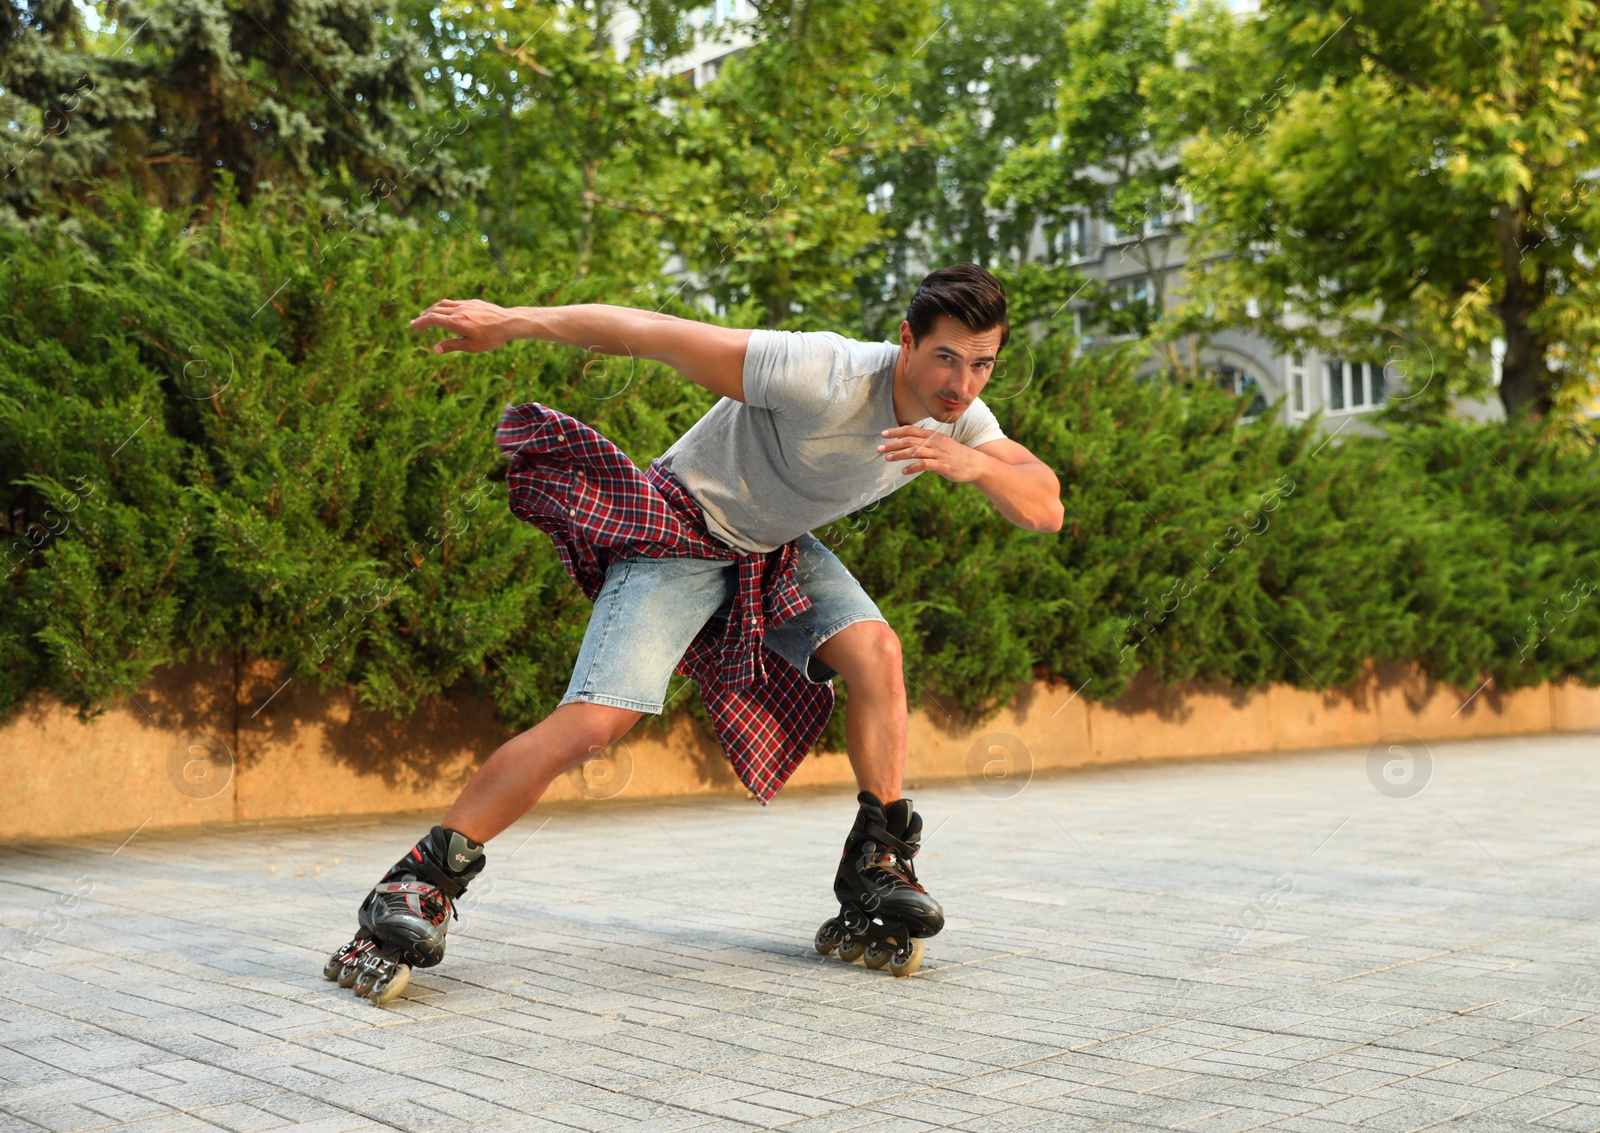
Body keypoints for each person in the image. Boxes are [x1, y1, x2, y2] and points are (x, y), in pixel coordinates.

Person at [323, 263, 1064, 1003]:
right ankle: (418, 880)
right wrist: (510, 319)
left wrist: (973, 463)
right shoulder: (820, 370)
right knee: (593, 722)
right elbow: (652, 333)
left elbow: (1045, 506)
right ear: (907, 340)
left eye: (981, 364)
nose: (961, 385)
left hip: (768, 553)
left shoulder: (962, 420)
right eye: (945, 358)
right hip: (678, 532)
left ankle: (879, 859)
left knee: (876, 651)